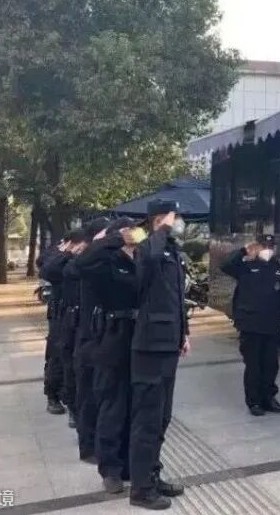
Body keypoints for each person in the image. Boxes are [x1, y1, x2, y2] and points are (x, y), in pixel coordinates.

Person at [129, 200, 189, 510]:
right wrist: (161, 231)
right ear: (158, 220)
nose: (178, 223)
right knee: (147, 421)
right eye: (173, 218)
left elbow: (176, 299)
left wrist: (184, 333)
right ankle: (140, 489)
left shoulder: (171, 251)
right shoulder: (146, 249)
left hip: (168, 344)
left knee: (162, 419)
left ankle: (153, 475)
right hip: (150, 346)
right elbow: (148, 264)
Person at [79, 217, 145, 494]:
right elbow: (80, 264)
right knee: (113, 403)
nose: (135, 234)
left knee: (138, 404)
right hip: (112, 335)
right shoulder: (105, 259)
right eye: (129, 230)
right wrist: (113, 239)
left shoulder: (143, 257)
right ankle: (111, 468)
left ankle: (132, 463)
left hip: (142, 336)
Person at [221, 235, 280, 417]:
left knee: (270, 365)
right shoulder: (246, 266)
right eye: (263, 245)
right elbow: (225, 265)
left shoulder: (279, 268)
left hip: (271, 323)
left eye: (270, 246)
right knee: (253, 365)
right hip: (250, 324)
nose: (267, 249)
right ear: (257, 247)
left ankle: (269, 397)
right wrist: (244, 251)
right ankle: (254, 401)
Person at [69, 217, 110, 460]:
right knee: (88, 395)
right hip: (87, 336)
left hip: (104, 335)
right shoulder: (85, 259)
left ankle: (99, 442)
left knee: (101, 393)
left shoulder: (103, 257)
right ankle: (87, 446)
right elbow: (64, 268)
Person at [38, 230, 86, 416]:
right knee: (56, 355)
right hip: (59, 313)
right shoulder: (56, 255)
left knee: (72, 358)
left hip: (76, 313)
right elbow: (46, 268)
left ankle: (70, 396)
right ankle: (52, 395)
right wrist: (66, 252)